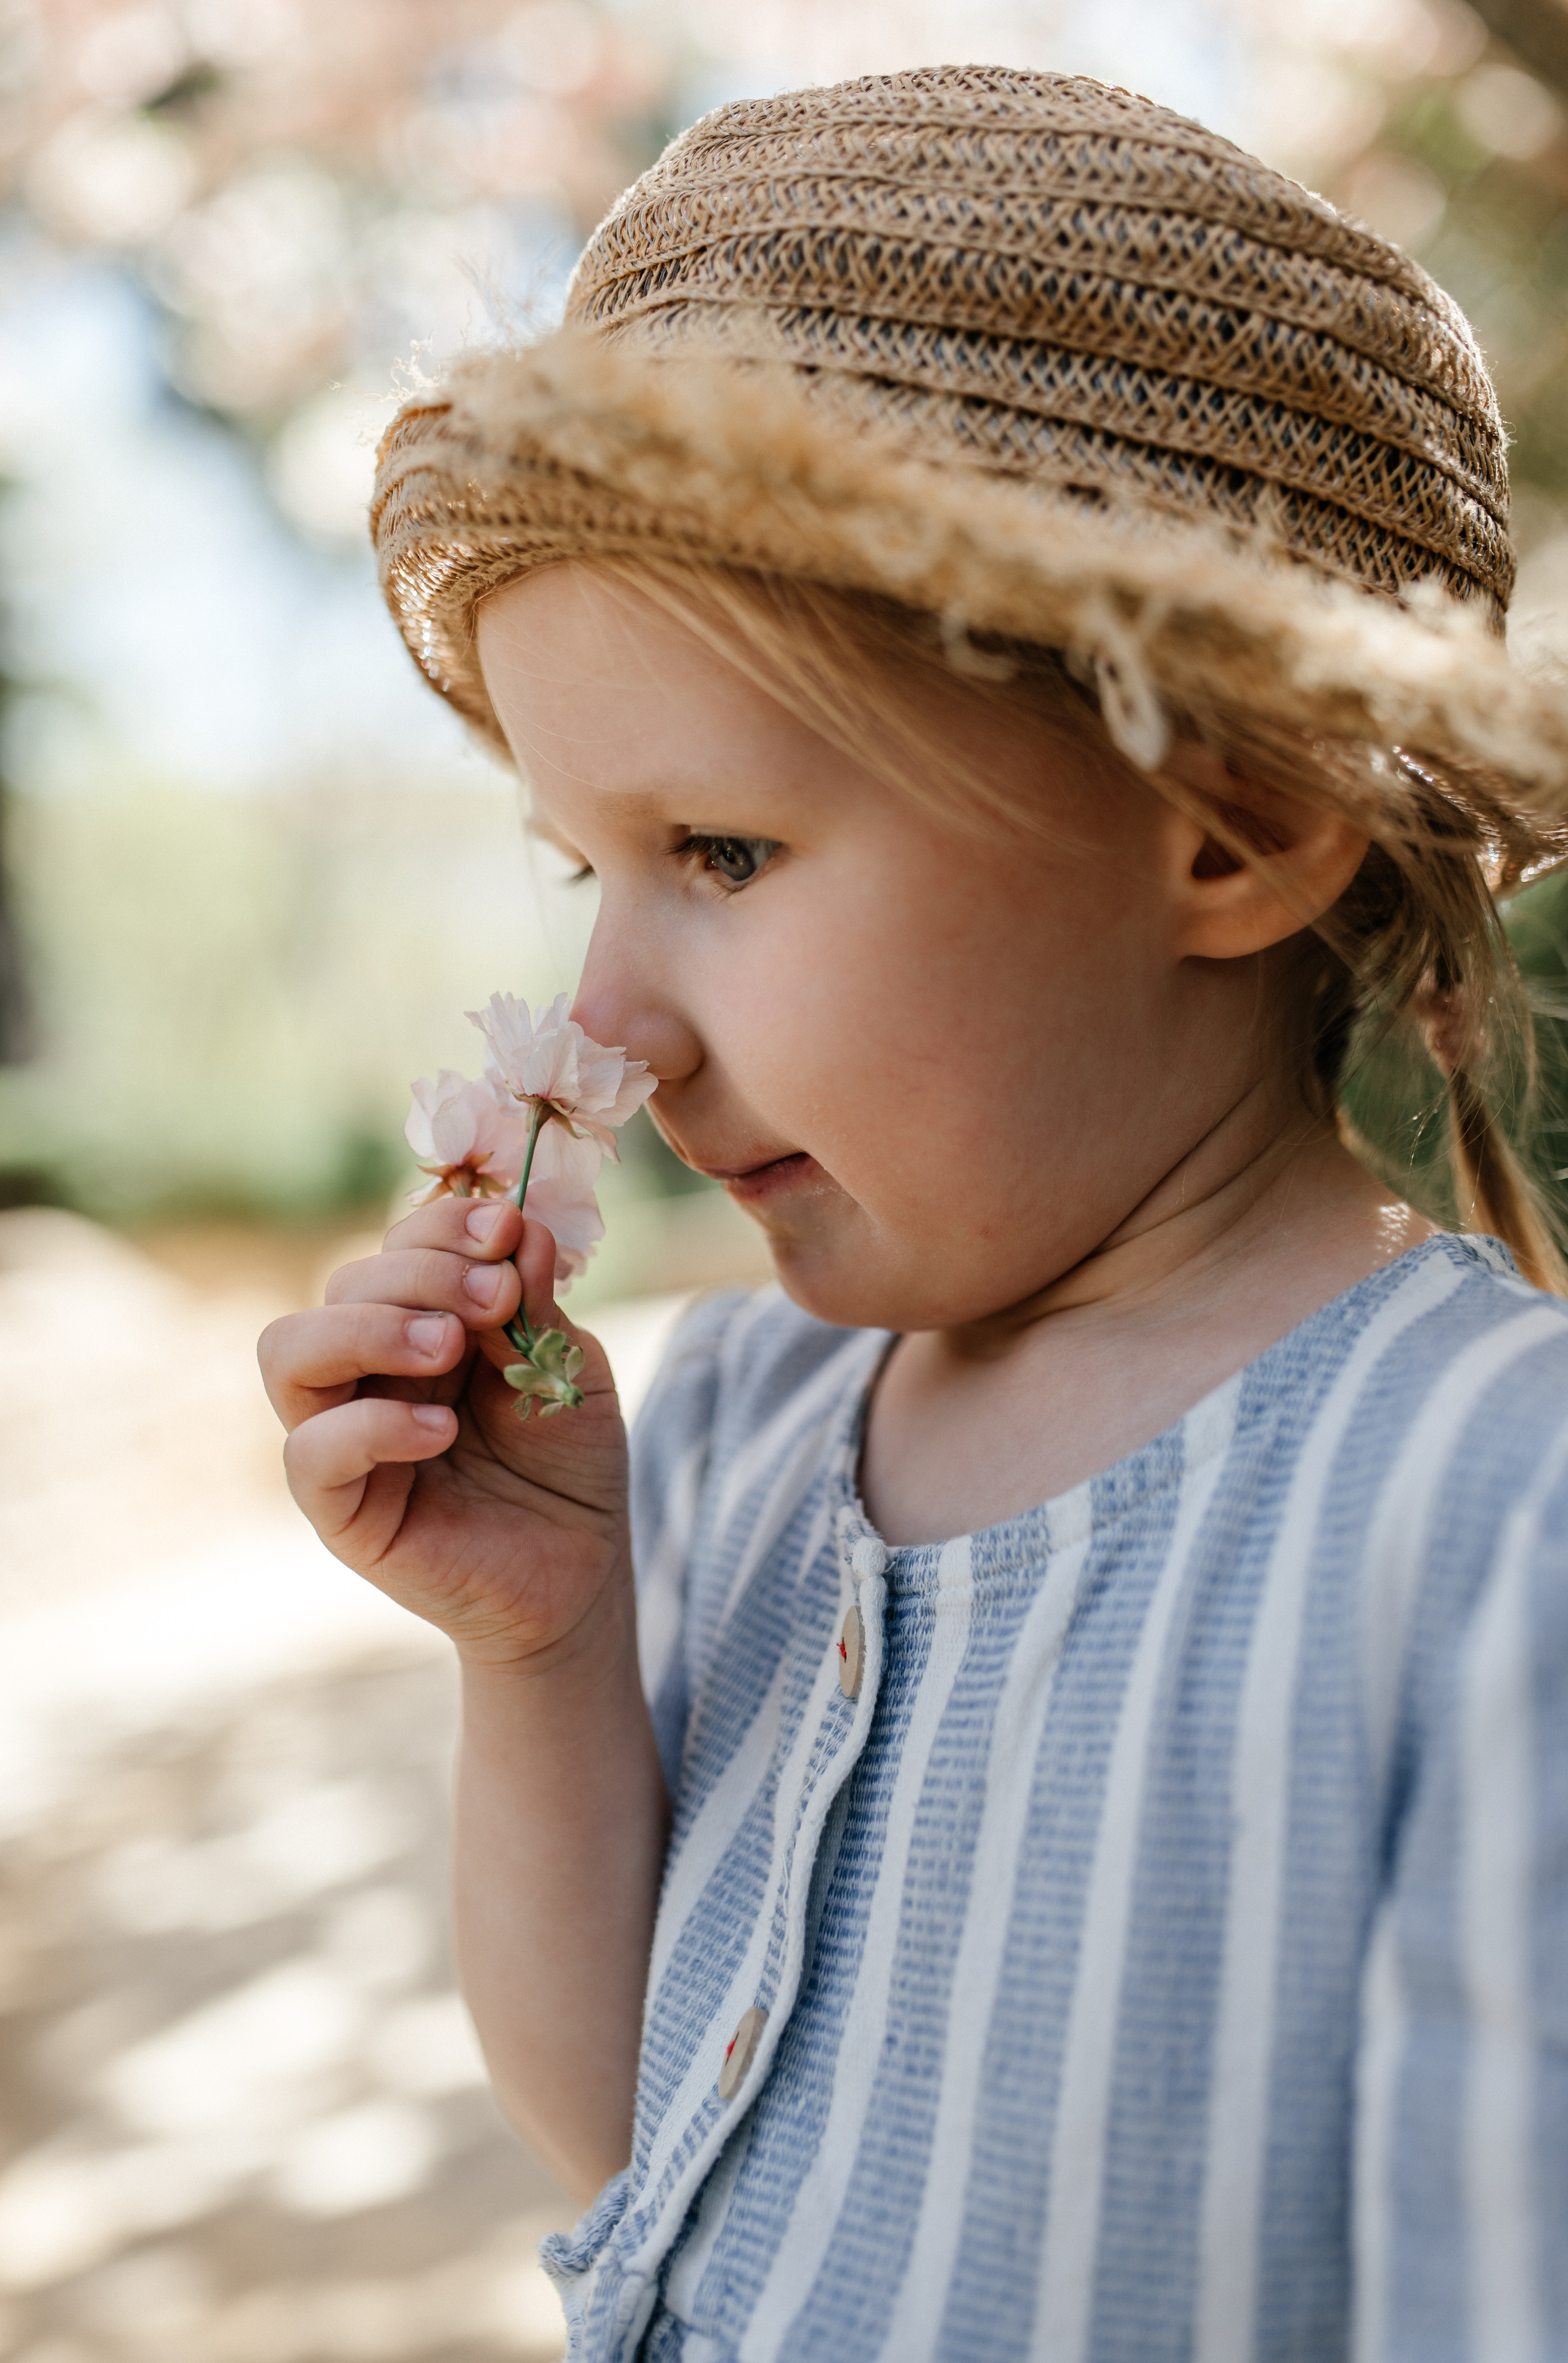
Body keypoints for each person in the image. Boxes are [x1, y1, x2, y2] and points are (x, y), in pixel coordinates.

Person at [259, 67, 1568, 2363]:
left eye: (725, 856)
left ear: (1234, 832)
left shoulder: (1492, 1518)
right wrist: (546, 1647)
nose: (612, 1021)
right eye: (591, 870)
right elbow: (637, 2147)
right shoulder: (758, 1398)